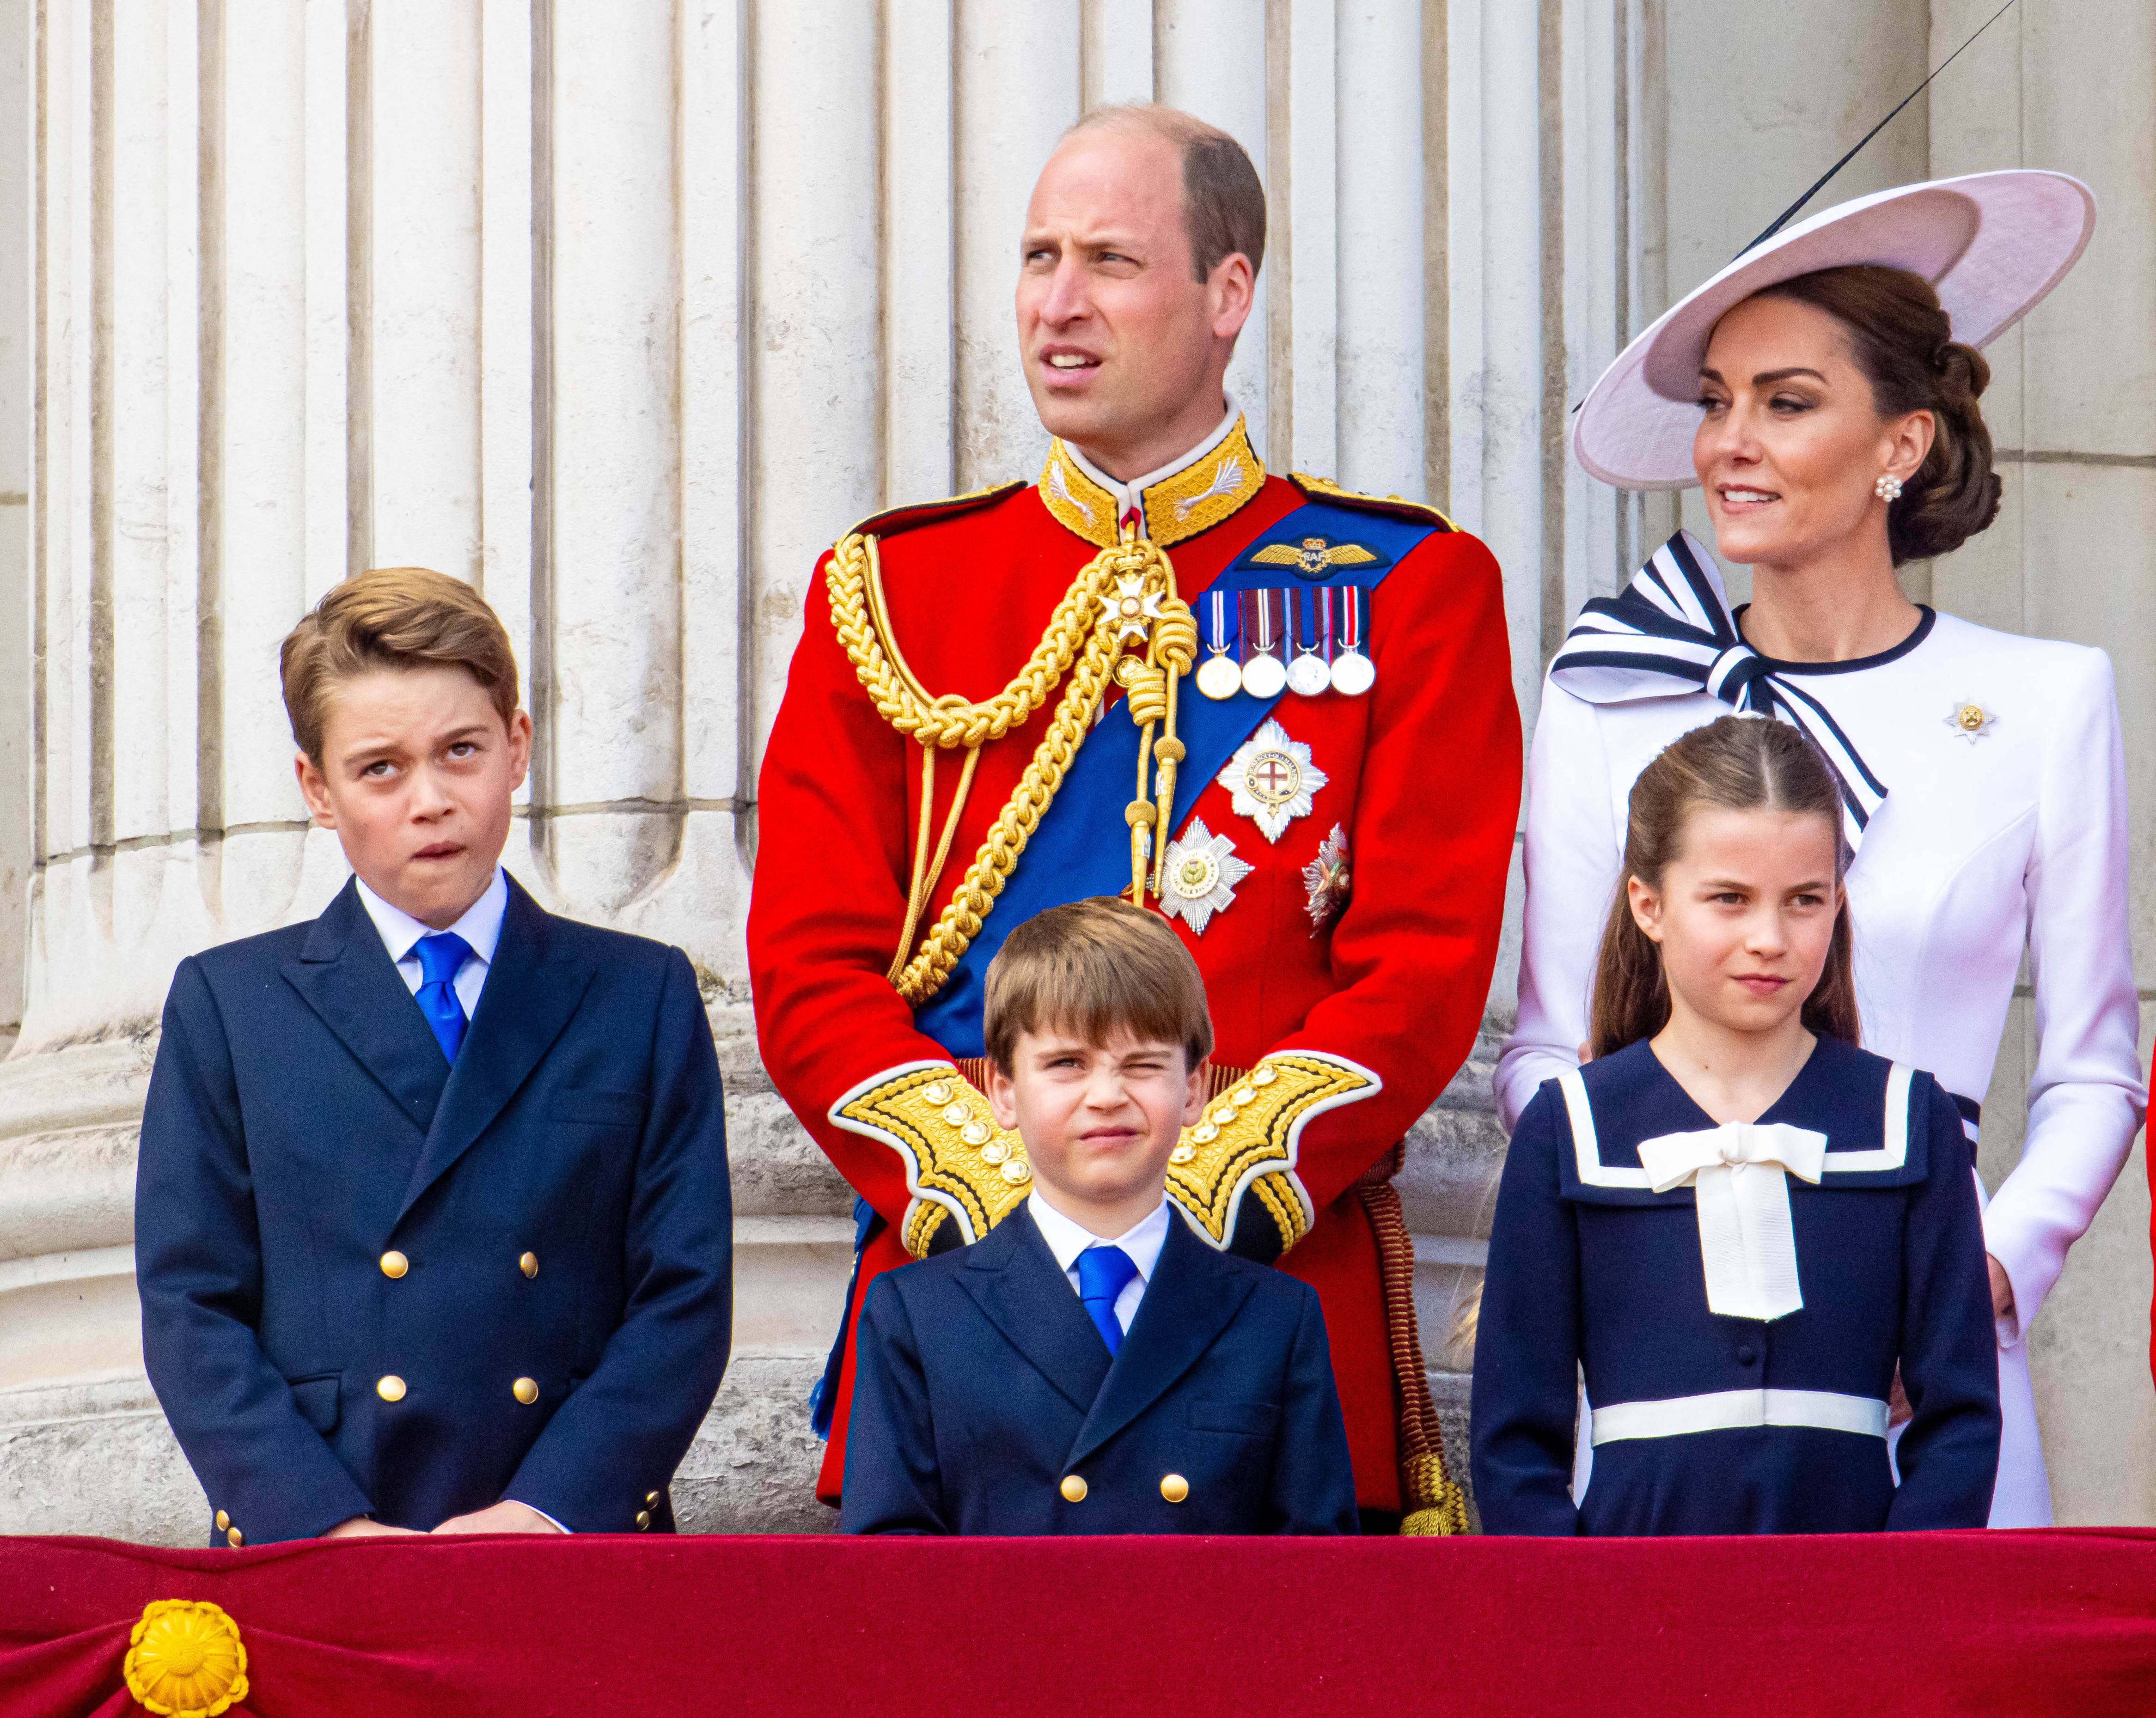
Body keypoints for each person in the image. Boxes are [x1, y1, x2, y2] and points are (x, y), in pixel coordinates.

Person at [750, 103, 1521, 1533]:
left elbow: (1418, 973)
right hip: (957, 1329)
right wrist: (1019, 1206)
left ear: (1229, 294)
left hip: (1269, 1325)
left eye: (1109, 259)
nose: (1056, 302)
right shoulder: (891, 591)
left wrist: (1192, 1203)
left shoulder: (1409, 585)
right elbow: (808, 970)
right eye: (1038, 256)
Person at [1496, 171, 2140, 1527]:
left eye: (1785, 402)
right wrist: (1636, 1247)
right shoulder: (1610, 690)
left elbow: (2093, 1064)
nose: (1731, 439)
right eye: (1716, 399)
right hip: (1662, 1351)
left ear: (1899, 444)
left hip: (1930, 1346)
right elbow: (1548, 1052)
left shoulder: (2045, 696)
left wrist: (1987, 1271)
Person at [136, 567, 733, 1545]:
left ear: (517, 748)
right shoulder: (231, 1005)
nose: (430, 800)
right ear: (316, 789)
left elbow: (684, 1293)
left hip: (566, 1542)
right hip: (325, 1543)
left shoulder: (639, 993)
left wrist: (544, 1512)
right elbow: (191, 1305)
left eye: (460, 751)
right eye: (380, 768)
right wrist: (320, 1526)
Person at [1475, 717, 1999, 1535]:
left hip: (1854, 1605)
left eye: (1803, 901)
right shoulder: (1570, 1126)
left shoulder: (1909, 1119)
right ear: (1647, 904)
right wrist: (1575, 1613)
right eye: (1729, 898)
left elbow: (1960, 1419)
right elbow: (1514, 1444)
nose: (1769, 939)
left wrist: (1899, 1604)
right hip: (1630, 1604)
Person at [841, 897, 1356, 1535]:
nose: (1107, 1096)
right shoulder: (915, 1317)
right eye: (1067, 1064)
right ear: (1003, 1090)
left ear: (1194, 1089)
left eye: (1142, 1064)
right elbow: (892, 1575)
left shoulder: (1276, 1321)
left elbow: (1314, 1584)